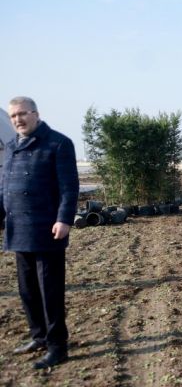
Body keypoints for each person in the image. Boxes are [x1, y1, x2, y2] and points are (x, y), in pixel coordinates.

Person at [1, 97, 79, 369]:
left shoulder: (58, 143)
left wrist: (64, 219)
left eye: (22, 114)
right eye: (13, 116)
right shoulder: (11, 147)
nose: (17, 120)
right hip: (18, 229)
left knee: (50, 292)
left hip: (47, 230)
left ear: (36, 114)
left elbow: (69, 188)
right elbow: (5, 189)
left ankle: (58, 346)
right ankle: (39, 336)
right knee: (27, 290)